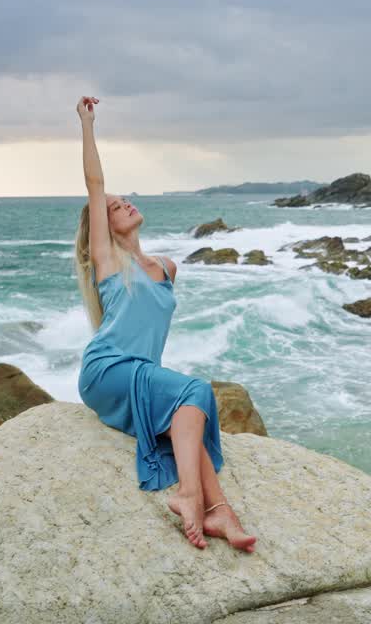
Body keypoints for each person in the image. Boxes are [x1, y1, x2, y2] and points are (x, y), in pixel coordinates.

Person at [73, 96, 256, 553]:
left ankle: (220, 513)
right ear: (105, 227)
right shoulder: (108, 263)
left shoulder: (168, 267)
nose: (123, 204)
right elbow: (95, 184)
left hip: (141, 376)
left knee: (185, 420)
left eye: (123, 201)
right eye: (114, 208)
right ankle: (189, 496)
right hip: (108, 372)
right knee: (196, 390)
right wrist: (87, 124)